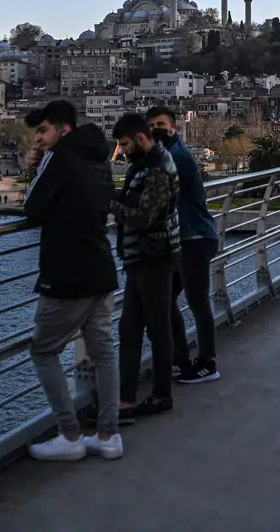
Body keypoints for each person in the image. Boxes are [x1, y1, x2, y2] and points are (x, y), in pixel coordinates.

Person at [21, 101, 123, 462]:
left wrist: (34, 167)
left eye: (43, 131)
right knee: (104, 351)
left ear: (62, 130)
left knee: (43, 350)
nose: (39, 139)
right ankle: (109, 435)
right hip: (101, 267)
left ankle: (70, 435)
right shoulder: (98, 157)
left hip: (67, 273)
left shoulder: (60, 157)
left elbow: (31, 208)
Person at [110, 112, 181, 420]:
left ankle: (161, 395)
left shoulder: (158, 169)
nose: (122, 150)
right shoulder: (145, 164)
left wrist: (108, 202)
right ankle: (125, 399)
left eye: (125, 144)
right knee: (129, 329)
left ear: (140, 139)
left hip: (155, 258)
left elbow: (143, 216)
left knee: (157, 328)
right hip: (141, 259)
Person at [146, 105, 221, 385]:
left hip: (195, 239)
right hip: (183, 240)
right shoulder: (167, 155)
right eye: (151, 125)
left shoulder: (175, 157)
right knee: (166, 300)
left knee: (197, 302)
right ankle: (181, 359)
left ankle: (207, 362)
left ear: (173, 128)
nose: (156, 130)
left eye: (161, 125)